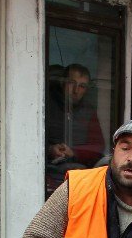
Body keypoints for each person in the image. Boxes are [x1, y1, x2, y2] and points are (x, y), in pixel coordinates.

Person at [44, 63, 107, 194]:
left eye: (82, 86)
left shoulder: (88, 111)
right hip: (48, 171)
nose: (76, 90)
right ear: (63, 83)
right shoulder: (46, 105)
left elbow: (98, 147)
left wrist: (74, 152)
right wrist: (50, 150)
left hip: (80, 174)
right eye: (72, 83)